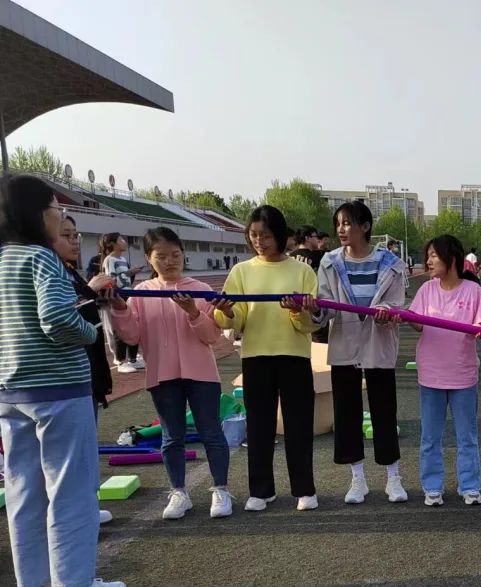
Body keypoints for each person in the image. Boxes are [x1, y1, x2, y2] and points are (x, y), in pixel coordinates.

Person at [0, 174, 126, 587]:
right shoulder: (41, 258)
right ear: (38, 214)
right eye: (56, 208)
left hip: (10, 391)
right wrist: (90, 333)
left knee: (23, 490)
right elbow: (57, 318)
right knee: (70, 488)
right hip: (57, 389)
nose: (59, 215)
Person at [106, 227, 233, 521]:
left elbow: (211, 337)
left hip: (202, 374)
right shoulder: (141, 293)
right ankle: (179, 492)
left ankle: (221, 489)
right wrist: (119, 308)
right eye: (161, 256)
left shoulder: (200, 289)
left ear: (183, 254)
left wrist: (192, 311)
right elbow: (132, 335)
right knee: (171, 437)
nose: (169, 261)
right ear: (148, 259)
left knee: (211, 433)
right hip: (162, 376)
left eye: (175, 255)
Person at [214, 205, 320, 512]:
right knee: (259, 426)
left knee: (299, 426)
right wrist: (227, 311)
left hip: (294, 356)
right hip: (256, 357)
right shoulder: (241, 271)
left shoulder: (302, 271)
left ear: (281, 235)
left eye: (267, 235)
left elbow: (311, 324)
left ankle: (304, 489)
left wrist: (299, 311)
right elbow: (236, 320)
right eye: (254, 235)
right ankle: (261, 491)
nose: (259, 241)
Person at [303, 200, 410, 504]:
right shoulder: (329, 263)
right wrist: (314, 309)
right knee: (347, 413)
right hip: (345, 346)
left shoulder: (390, 263)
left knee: (384, 412)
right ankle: (358, 479)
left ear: (365, 227)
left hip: (378, 345)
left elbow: (396, 303)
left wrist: (387, 311)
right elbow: (324, 308)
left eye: (348, 223)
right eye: (338, 223)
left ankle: (393, 478)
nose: (341, 229)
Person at [399, 235, 481, 506]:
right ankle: (432, 486)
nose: (428, 261)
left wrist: (480, 330)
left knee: (467, 437)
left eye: (434, 255)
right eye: (428, 256)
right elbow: (418, 323)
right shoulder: (426, 290)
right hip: (431, 375)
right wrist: (403, 316)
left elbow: (479, 325)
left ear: (452, 258)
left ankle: (469, 486)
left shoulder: (473, 291)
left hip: (463, 375)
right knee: (430, 437)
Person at [53, 215, 114, 526]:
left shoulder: (67, 270)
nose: (75, 241)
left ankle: (86, 507)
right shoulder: (50, 272)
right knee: (71, 454)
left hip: (85, 373)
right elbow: (60, 316)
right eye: (66, 235)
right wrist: (90, 291)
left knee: (84, 448)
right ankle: (78, 515)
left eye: (76, 235)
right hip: (65, 377)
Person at [100, 232, 142, 373]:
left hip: (128, 294)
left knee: (133, 325)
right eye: (121, 239)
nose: (124, 241)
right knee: (120, 329)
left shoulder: (123, 259)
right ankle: (120, 361)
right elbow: (110, 280)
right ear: (112, 244)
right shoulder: (110, 260)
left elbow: (126, 280)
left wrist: (130, 274)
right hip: (119, 296)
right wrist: (129, 273)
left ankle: (133, 359)